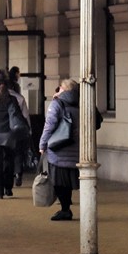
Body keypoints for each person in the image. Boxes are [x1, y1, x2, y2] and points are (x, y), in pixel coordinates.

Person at [37, 78, 82, 221]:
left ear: (64, 89)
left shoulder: (57, 103)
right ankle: (65, 208)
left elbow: (49, 125)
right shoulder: (81, 102)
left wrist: (42, 144)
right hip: (75, 147)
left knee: (58, 181)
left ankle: (65, 209)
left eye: (60, 87)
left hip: (58, 148)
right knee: (67, 180)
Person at [7, 67, 31, 185]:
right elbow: (26, 115)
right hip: (18, 128)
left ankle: (9, 175)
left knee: (7, 154)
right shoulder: (20, 98)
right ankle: (18, 173)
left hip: (4, 130)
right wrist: (29, 128)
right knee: (18, 152)